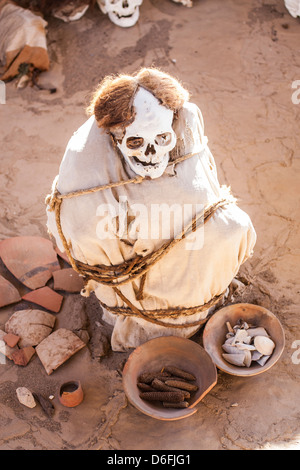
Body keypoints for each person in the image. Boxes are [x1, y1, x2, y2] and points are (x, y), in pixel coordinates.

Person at [46, 68, 256, 351]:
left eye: (162, 139)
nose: (151, 153)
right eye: (136, 143)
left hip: (193, 247)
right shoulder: (85, 179)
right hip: (134, 279)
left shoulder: (188, 125)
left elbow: (206, 183)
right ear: (116, 138)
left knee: (233, 226)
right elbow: (81, 238)